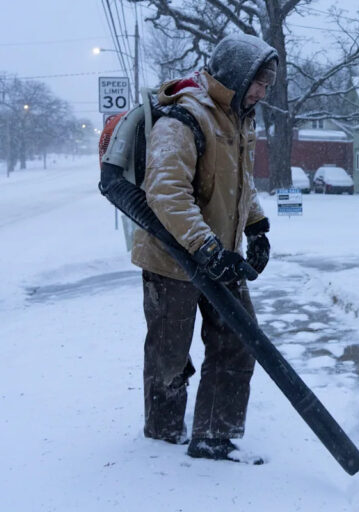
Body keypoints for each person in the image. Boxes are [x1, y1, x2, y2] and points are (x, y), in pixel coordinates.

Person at [129, 33, 278, 461]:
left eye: (267, 85)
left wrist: (256, 226)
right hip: (172, 258)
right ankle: (162, 434)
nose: (261, 92)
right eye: (257, 82)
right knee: (170, 353)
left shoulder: (239, 118)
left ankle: (216, 433)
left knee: (238, 341)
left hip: (219, 257)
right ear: (235, 74)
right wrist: (206, 247)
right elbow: (167, 192)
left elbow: (239, 184)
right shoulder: (184, 117)